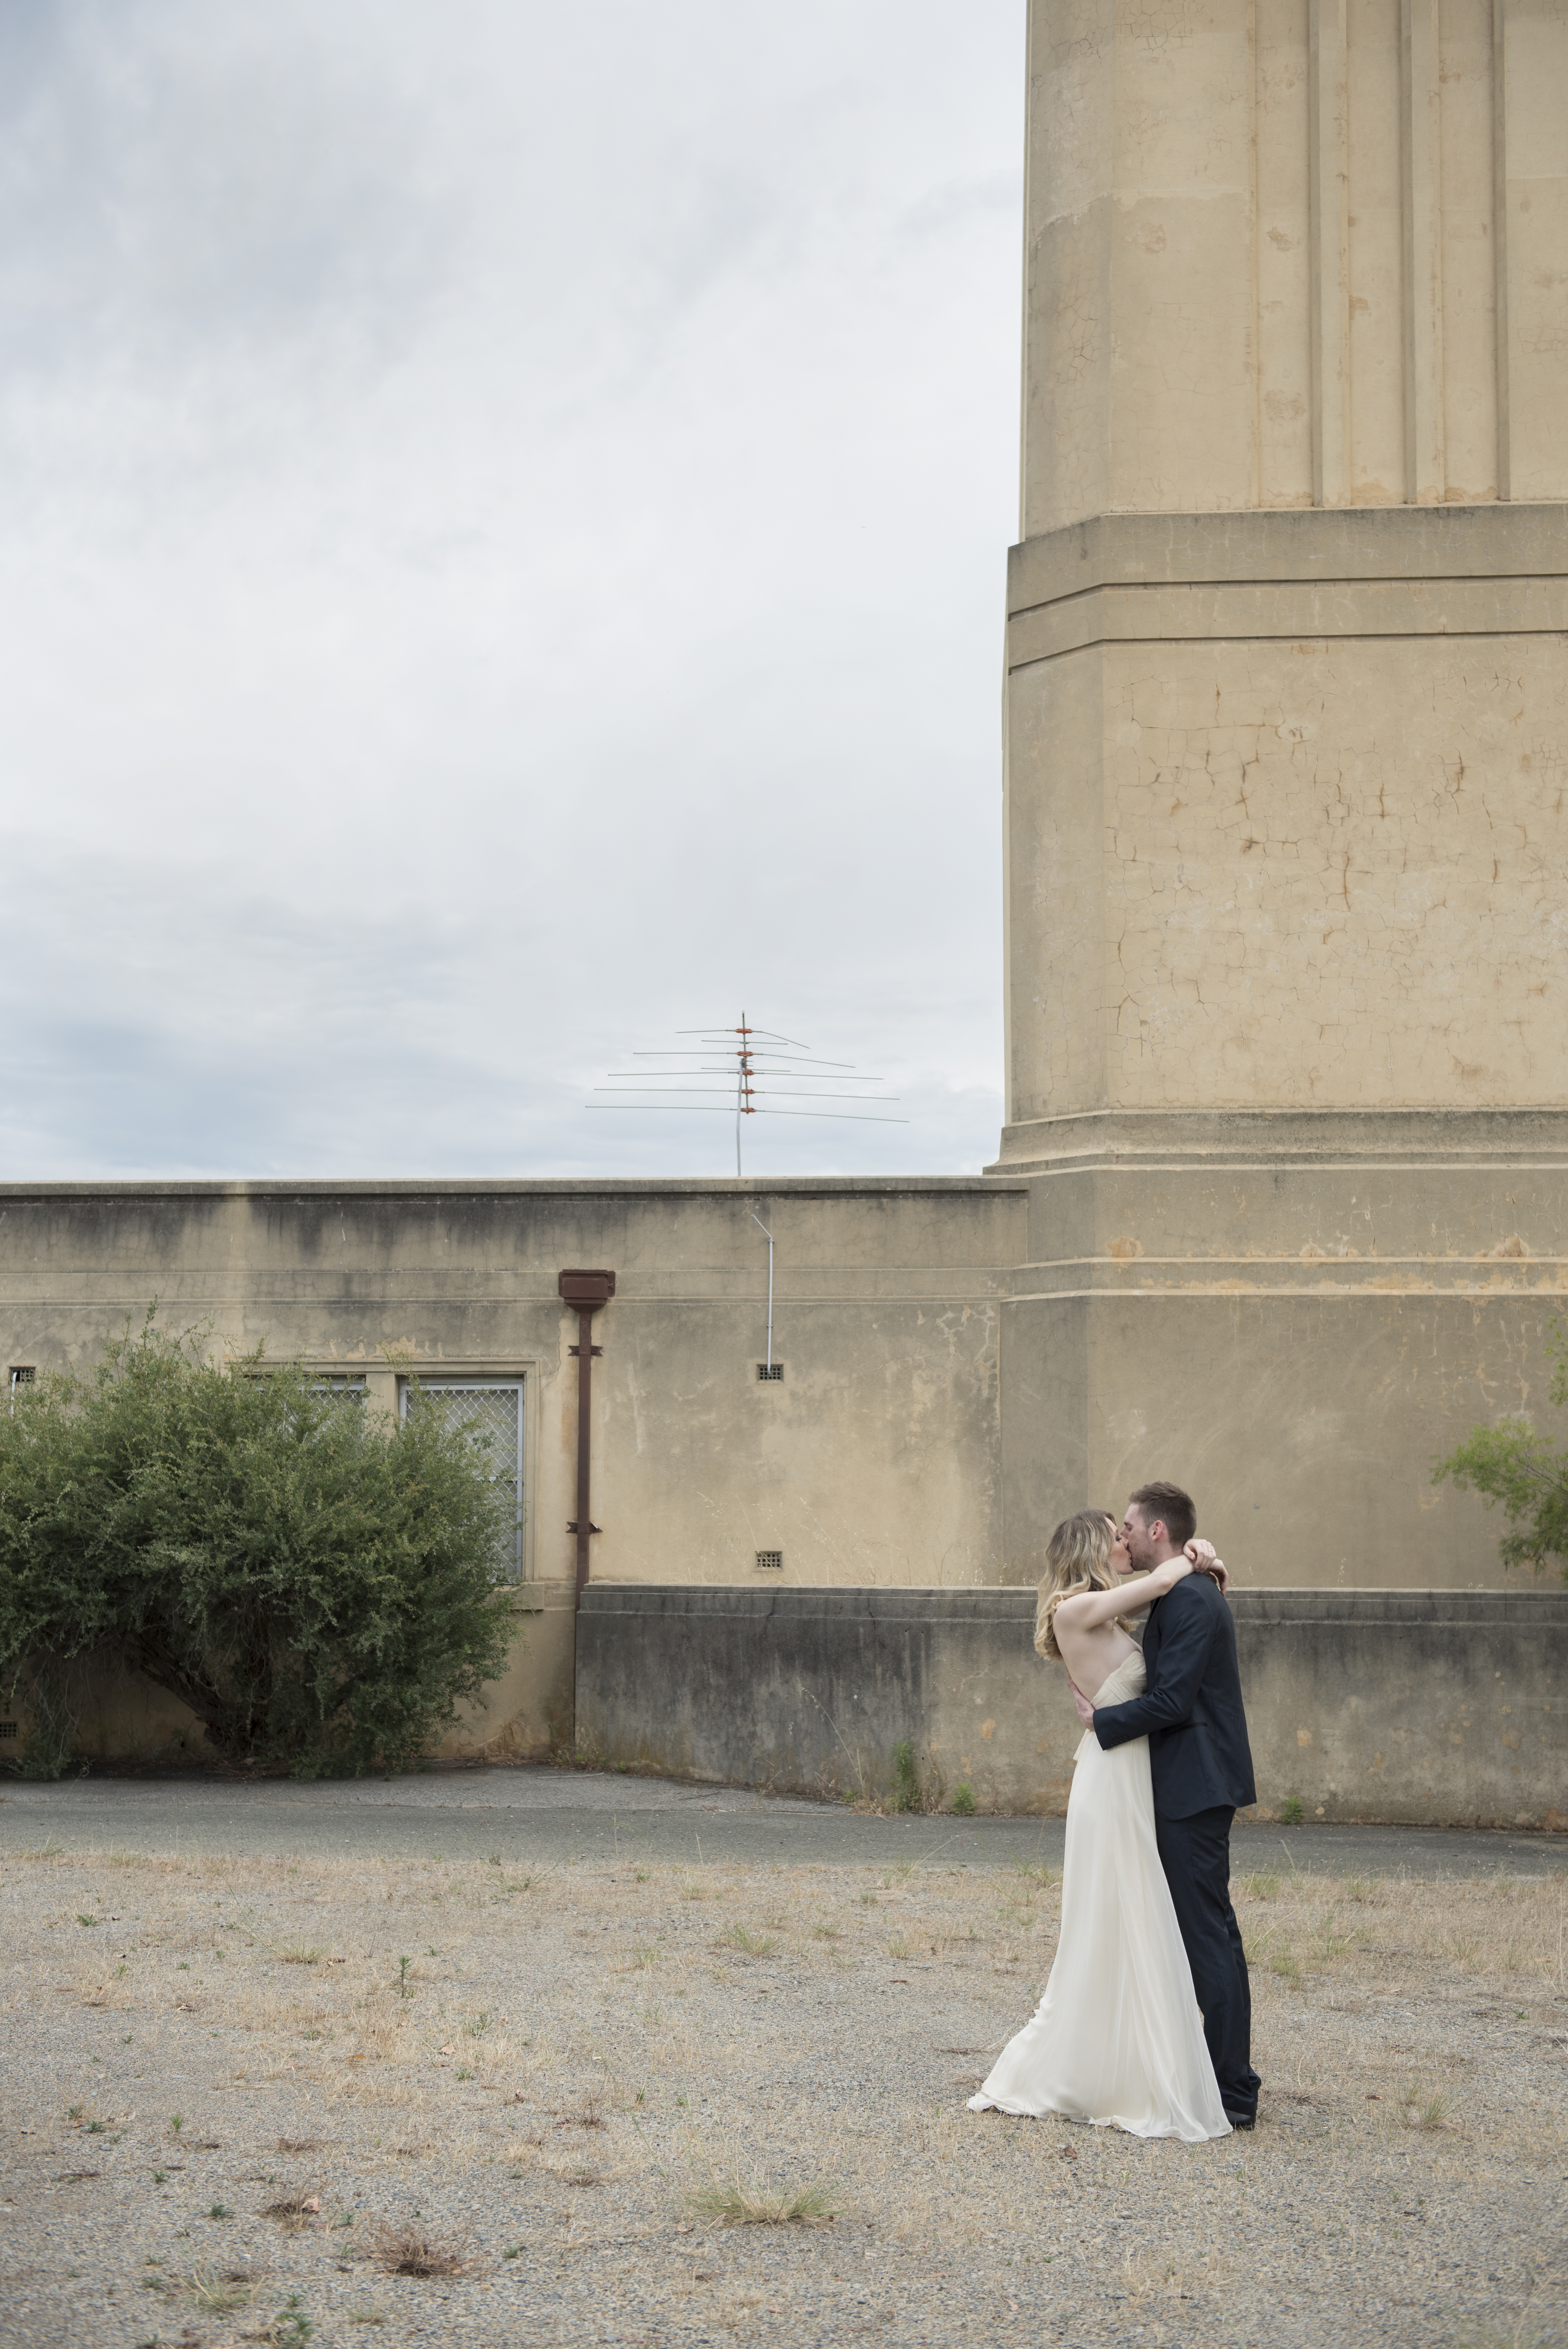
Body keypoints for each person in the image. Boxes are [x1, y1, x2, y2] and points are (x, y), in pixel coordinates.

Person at [968, 1506, 1232, 2143]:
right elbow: (1164, 1583)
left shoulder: (1107, 1612)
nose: (1125, 1543)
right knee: (1112, 1921)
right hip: (1111, 1784)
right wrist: (1196, 1553)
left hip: (1133, 1777)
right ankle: (1064, 2069)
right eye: (1116, 1535)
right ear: (1091, 1547)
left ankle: (1133, 2063)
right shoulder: (1071, 1610)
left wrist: (1206, 1565)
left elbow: (1176, 1612)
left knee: (1136, 1919)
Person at [1074, 1481, 1261, 2132]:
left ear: (1159, 1531)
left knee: (1209, 1936)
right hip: (1191, 1784)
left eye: (1129, 1525)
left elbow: (1174, 1703)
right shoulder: (1182, 1590)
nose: (1121, 1535)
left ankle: (1233, 2090)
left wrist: (1102, 1722)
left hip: (1194, 1788)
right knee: (1205, 1934)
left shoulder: (1188, 1599)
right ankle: (1217, 2076)